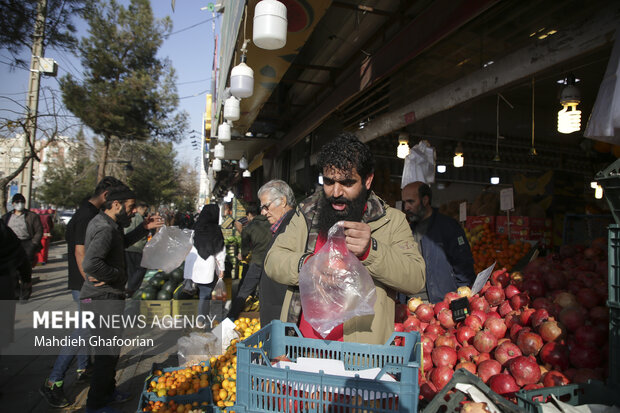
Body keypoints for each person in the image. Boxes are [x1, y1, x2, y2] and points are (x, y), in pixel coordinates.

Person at [264, 134, 426, 344]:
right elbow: (273, 260)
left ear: (367, 180)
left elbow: (416, 278)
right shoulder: (307, 213)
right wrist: (307, 265)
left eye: (347, 183)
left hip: (360, 358)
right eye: (329, 182)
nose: (336, 192)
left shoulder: (391, 221)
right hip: (301, 351)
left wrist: (371, 251)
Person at [39, 176, 123, 408]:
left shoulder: (85, 213)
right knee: (83, 332)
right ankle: (53, 381)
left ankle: (83, 368)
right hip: (85, 286)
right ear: (107, 196)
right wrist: (90, 280)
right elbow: (79, 251)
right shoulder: (88, 216)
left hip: (82, 284)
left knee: (87, 332)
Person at [80, 185, 163, 413]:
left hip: (107, 297)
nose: (134, 211)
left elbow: (120, 244)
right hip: (102, 300)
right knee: (106, 356)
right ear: (115, 205)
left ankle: (108, 392)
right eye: (130, 206)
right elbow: (91, 264)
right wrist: (117, 275)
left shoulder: (110, 225)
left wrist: (143, 229)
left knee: (111, 352)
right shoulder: (104, 228)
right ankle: (96, 405)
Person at [401, 181, 476, 303]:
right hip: (410, 304)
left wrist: (460, 301)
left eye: (411, 201)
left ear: (425, 200)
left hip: (440, 304)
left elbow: (464, 268)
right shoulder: (405, 229)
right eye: (404, 202)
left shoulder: (448, 227)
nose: (406, 207)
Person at [256, 180, 296, 327]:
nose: (263, 212)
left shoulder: (292, 225)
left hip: (281, 314)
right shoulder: (280, 226)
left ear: (283, 201)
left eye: (266, 206)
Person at [226, 204, 272, 321]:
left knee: (244, 291)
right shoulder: (271, 223)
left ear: (250, 215)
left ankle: (230, 319)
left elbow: (245, 247)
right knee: (266, 292)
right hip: (271, 263)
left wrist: (244, 254)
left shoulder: (251, 226)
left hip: (256, 262)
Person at [183, 204, 226, 318]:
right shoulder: (216, 230)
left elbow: (188, 244)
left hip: (193, 264)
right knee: (205, 294)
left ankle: (194, 318)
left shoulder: (196, 227)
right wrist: (221, 268)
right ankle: (201, 320)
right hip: (207, 264)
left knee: (194, 293)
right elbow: (220, 250)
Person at [2, 193, 43, 299]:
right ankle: (16, 292)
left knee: (26, 267)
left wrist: (33, 243)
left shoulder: (32, 216)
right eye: (17, 202)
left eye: (21, 202)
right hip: (11, 245)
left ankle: (25, 292)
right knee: (13, 273)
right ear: (13, 204)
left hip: (26, 244)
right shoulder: (6, 217)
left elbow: (39, 231)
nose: (20, 204)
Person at [124, 201, 149, 297]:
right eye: (144, 210)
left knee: (132, 270)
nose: (144, 212)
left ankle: (131, 289)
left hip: (130, 248)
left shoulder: (134, 217)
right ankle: (132, 289)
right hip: (136, 248)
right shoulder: (137, 217)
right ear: (139, 208)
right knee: (140, 269)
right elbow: (133, 232)